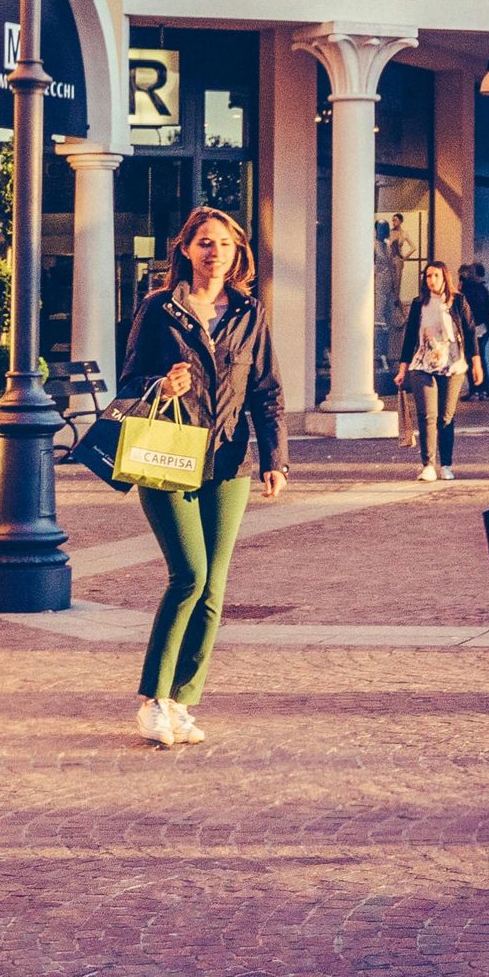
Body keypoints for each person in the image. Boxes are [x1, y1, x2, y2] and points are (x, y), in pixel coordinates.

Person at [115, 205, 282, 748]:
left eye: (225, 245)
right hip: (168, 458)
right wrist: (162, 384)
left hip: (228, 461)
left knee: (214, 587)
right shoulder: (159, 310)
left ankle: (183, 700)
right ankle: (152, 700)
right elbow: (129, 379)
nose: (215, 254)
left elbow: (265, 391)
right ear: (185, 249)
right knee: (188, 574)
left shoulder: (250, 314)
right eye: (205, 243)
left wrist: (275, 459)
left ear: (238, 255)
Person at [400, 259, 470, 483]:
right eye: (428, 276)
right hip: (423, 365)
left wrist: (476, 363)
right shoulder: (419, 303)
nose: (432, 280)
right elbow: (410, 337)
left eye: (436, 276)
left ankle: (446, 464)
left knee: (446, 417)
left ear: (444, 277)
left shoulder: (457, 302)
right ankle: (428, 464)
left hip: (453, 366)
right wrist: (402, 369)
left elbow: (469, 332)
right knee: (427, 416)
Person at [459, 260, 489, 393]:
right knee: (479, 355)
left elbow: (473, 309)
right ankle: (483, 388)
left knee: (474, 356)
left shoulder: (470, 289)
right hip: (485, 325)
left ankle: (477, 388)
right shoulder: (482, 287)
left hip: (477, 326)